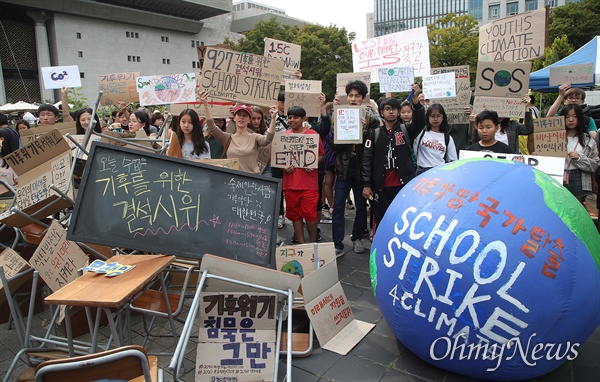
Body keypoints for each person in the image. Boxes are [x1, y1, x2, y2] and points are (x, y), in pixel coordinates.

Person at [322, 80, 380, 256]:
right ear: (346, 97)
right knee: (338, 206)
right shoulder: (339, 115)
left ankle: (357, 238)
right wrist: (343, 133)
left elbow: (376, 143)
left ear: (363, 98)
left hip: (363, 168)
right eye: (351, 95)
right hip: (344, 167)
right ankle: (337, 243)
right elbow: (332, 144)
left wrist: (364, 130)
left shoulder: (370, 118)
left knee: (361, 206)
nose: (353, 99)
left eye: (357, 96)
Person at [362, 88, 425, 238]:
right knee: (380, 217)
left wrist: (415, 101)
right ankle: (379, 242)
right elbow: (367, 160)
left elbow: (420, 122)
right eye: (387, 109)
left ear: (399, 112)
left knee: (402, 217)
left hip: (403, 184)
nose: (391, 112)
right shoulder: (374, 133)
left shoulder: (406, 130)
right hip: (381, 186)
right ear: (381, 112)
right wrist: (366, 184)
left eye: (394, 109)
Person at [201, 91, 275, 174]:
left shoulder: (254, 137)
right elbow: (212, 128)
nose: (241, 117)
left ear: (249, 120)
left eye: (245, 115)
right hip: (232, 181)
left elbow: (268, 139)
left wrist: (273, 118)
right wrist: (205, 105)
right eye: (239, 115)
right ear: (234, 118)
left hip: (251, 181)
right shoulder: (227, 138)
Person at [282, 106, 325, 243]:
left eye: (295, 117)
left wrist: (312, 164)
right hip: (290, 184)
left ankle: (312, 243)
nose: (292, 120)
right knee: (294, 216)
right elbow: (279, 158)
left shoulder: (312, 135)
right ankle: (301, 243)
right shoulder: (284, 136)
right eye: (289, 117)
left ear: (303, 118)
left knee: (310, 215)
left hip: (309, 185)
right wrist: (284, 168)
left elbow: (321, 155)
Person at [560, 104, 600, 204]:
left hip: (579, 178)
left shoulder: (588, 140)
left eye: (575, 116)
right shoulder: (552, 138)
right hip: (558, 176)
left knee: (577, 208)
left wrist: (580, 159)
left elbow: (595, 164)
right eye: (567, 116)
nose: (571, 120)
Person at [413, 103, 457, 175]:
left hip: (440, 171)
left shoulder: (448, 138)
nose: (435, 119)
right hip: (422, 171)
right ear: (428, 117)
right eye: (432, 116)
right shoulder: (420, 134)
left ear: (443, 118)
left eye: (438, 116)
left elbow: (453, 160)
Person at [250, 106, 272, 177]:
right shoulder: (243, 132)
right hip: (248, 166)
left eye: (259, 118)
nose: (256, 121)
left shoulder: (267, 132)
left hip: (264, 167)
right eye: (253, 118)